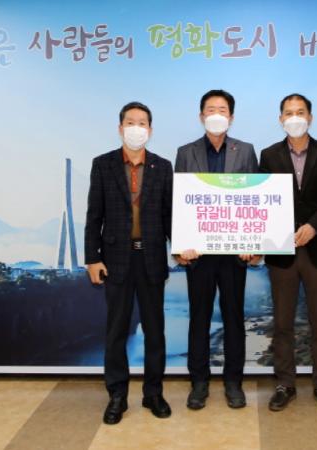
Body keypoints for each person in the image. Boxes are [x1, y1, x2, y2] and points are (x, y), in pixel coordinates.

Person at [85, 102, 173, 424]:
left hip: (151, 258)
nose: (137, 128)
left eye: (142, 122)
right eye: (130, 122)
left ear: (150, 129)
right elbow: (94, 215)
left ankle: (153, 393)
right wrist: (92, 258)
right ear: (120, 128)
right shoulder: (103, 164)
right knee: (116, 330)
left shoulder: (163, 167)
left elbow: (169, 215)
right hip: (115, 260)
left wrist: (182, 246)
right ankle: (117, 395)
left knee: (155, 331)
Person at [259, 93, 317, 413]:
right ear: (280, 119)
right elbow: (261, 201)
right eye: (288, 113)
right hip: (281, 252)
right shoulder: (268, 155)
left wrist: (314, 226)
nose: (294, 118)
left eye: (300, 112)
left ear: (310, 117)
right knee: (282, 324)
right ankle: (285, 384)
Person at [174, 89, 258, 410]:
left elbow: (254, 202)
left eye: (222, 110)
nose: (216, 115)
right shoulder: (186, 153)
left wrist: (253, 245)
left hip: (235, 254)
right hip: (198, 255)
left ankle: (233, 382)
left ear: (231, 117)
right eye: (210, 109)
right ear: (201, 116)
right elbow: (179, 203)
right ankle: (199, 383)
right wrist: (180, 246)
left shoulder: (246, 151)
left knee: (234, 317)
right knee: (199, 318)